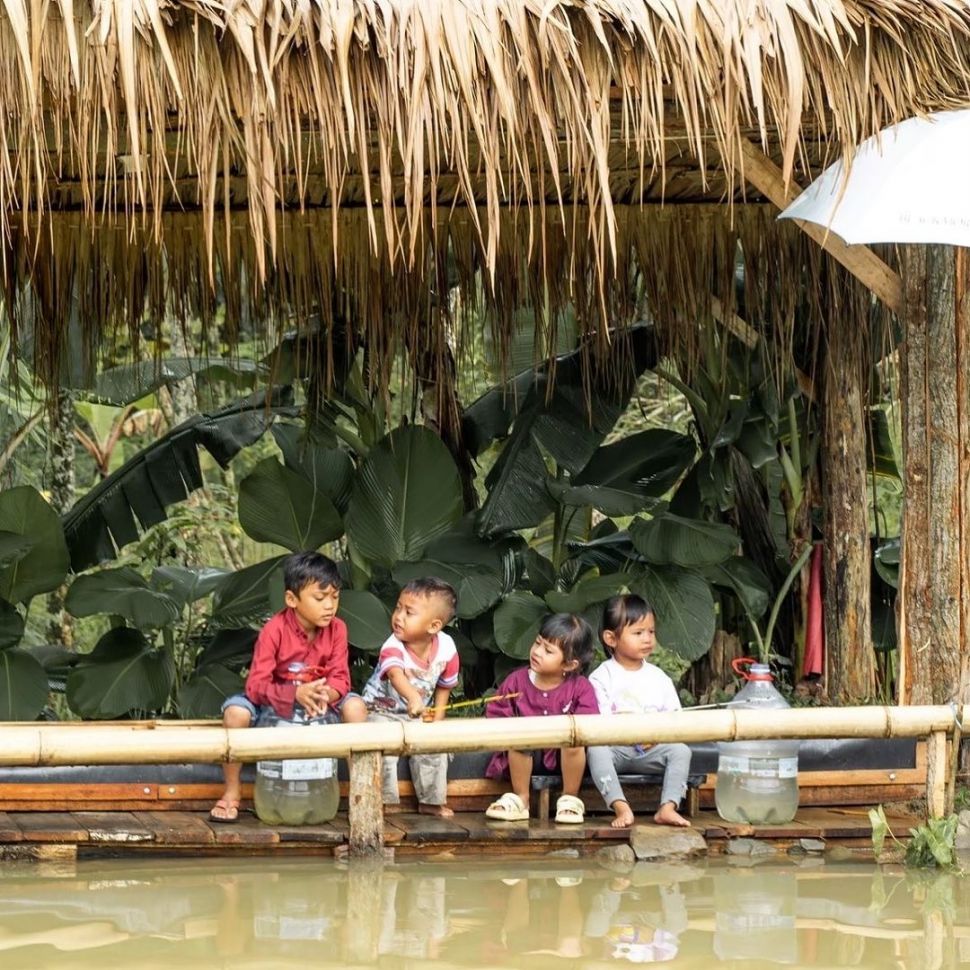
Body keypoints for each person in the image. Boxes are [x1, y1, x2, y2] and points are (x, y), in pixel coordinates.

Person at [209, 550, 368, 822]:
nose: (329, 605)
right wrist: (295, 694)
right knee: (235, 713)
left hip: (321, 699)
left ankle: (360, 794)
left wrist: (325, 693)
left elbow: (341, 678)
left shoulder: (338, 628)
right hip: (273, 699)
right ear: (291, 599)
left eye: (335, 596)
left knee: (355, 707)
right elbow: (256, 686)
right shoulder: (274, 630)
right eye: (320, 598)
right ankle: (232, 792)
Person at [587, 594, 692, 829]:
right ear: (610, 638)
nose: (647, 639)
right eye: (638, 633)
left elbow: (675, 719)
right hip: (617, 749)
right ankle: (620, 806)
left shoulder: (659, 677)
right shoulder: (601, 677)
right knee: (596, 751)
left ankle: (668, 807)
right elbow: (600, 723)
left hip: (652, 750)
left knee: (681, 752)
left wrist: (656, 736)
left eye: (651, 632)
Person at [483, 613, 598, 824]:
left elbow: (589, 724)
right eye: (537, 643)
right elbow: (496, 713)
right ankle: (521, 799)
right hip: (522, 760)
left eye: (548, 650)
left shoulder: (580, 687)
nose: (536, 652)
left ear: (570, 665)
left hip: (566, 761)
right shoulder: (516, 680)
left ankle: (570, 799)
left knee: (574, 738)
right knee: (519, 737)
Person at [362, 577, 460, 818]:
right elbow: (396, 675)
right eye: (398, 608)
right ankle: (384, 801)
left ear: (434, 626)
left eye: (409, 612)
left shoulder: (447, 648)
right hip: (379, 712)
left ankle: (431, 800)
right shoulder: (392, 645)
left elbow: (445, 686)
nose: (398, 616)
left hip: (414, 715)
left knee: (435, 746)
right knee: (381, 741)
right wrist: (414, 698)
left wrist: (438, 715)